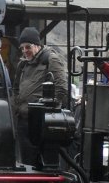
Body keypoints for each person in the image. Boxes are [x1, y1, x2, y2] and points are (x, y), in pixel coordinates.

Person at [13, 26, 68, 165]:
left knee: (47, 161)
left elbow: (61, 87)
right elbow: (16, 88)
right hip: (24, 119)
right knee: (27, 161)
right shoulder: (23, 65)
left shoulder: (51, 59)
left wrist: (49, 111)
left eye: (28, 47)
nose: (25, 51)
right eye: (22, 48)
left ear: (37, 45)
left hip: (42, 121)